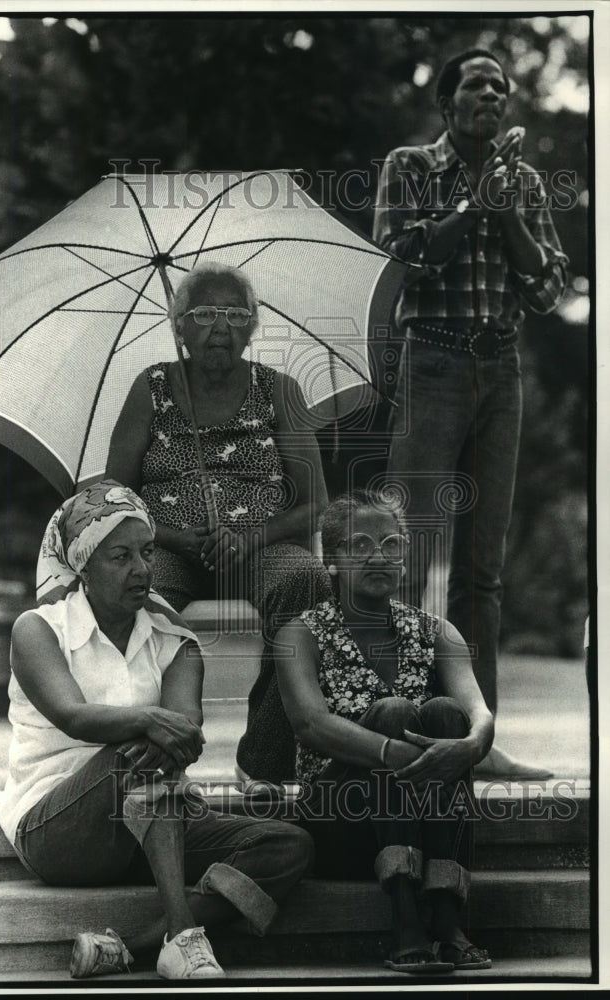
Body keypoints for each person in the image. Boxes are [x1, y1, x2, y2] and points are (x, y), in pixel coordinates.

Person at [0, 480, 314, 980]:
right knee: (135, 754)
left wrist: (165, 732)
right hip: (57, 829)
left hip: (151, 828)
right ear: (82, 563)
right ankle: (185, 938)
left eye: (147, 552)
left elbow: (186, 732)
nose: (142, 569)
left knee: (286, 845)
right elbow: (73, 716)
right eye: (120, 556)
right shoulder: (39, 629)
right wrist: (149, 722)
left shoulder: (176, 642)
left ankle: (133, 946)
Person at [373, 49, 568, 780]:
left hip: (502, 367)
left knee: (481, 571)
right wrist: (469, 207)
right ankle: (397, 728)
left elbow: (547, 286)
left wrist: (505, 210)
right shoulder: (410, 165)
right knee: (408, 554)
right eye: (476, 84)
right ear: (447, 102)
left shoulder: (523, 181)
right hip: (432, 361)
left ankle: (477, 742)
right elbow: (398, 256)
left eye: (500, 86)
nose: (492, 93)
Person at [102, 261, 333, 781]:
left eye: (235, 312)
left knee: (305, 582)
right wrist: (176, 537)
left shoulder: (279, 389)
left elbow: (316, 501)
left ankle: (267, 761)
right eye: (204, 313)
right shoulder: (152, 387)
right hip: (166, 545)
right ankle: (151, 755)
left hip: (263, 545)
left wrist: (251, 538)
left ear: (252, 326)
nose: (221, 326)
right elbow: (112, 496)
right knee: (139, 588)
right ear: (179, 325)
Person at [274, 490, 494, 974]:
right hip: (341, 821)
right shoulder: (301, 634)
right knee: (394, 711)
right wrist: (394, 751)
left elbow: (479, 714)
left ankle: (446, 913)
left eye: (391, 544)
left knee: (445, 714)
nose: (378, 556)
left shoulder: (436, 632)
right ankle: (405, 918)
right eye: (360, 545)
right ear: (330, 559)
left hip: (424, 818)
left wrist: (471, 745)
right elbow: (310, 725)